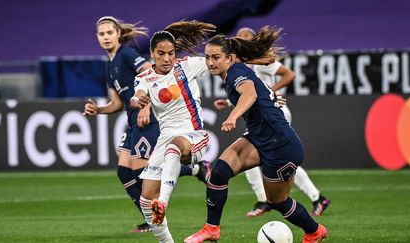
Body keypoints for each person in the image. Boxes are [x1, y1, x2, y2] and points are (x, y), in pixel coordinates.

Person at [185, 26, 327, 243]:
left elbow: (249, 94)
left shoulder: (236, 72)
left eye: (216, 57)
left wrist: (233, 116)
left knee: (277, 202)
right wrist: (267, 98)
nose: (211, 62)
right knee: (219, 174)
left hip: (281, 146)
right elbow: (255, 93)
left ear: (230, 57)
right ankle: (211, 228)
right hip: (260, 138)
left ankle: (314, 232)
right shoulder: (235, 69)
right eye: (207, 57)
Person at [83, 16, 206, 234]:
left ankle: (190, 173)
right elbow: (118, 102)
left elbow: (149, 74)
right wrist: (99, 110)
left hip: (145, 120)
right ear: (97, 37)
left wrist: (145, 106)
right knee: (123, 172)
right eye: (101, 34)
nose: (106, 37)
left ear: (118, 34)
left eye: (109, 32)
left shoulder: (127, 54)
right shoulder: (109, 66)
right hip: (132, 122)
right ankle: (154, 212)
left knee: (143, 174)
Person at [213, 27, 330, 218]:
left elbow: (287, 74)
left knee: (274, 159)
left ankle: (301, 198)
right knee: (269, 161)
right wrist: (228, 102)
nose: (241, 39)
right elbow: (247, 92)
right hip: (261, 113)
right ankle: (303, 198)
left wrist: (270, 94)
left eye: (245, 37)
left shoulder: (257, 63)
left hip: (275, 114)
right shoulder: (238, 66)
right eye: (239, 36)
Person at [129, 20, 216, 243]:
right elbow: (136, 94)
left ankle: (164, 201)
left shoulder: (187, 66)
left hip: (194, 136)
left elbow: (221, 62)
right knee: (146, 199)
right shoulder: (145, 78)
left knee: (175, 145)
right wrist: (138, 100)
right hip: (165, 142)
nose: (167, 59)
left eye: (171, 53)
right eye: (161, 54)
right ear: (152, 53)